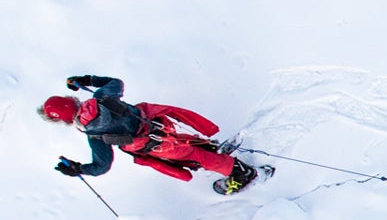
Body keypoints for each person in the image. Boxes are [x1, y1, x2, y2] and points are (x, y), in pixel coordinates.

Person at [40, 76, 259, 194]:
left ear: (66, 120)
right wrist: (88, 79)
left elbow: (102, 166)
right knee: (184, 137)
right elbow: (116, 83)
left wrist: (78, 169)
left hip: (153, 144)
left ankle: (241, 172)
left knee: (193, 155)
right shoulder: (101, 97)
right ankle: (213, 147)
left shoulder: (95, 135)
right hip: (157, 120)